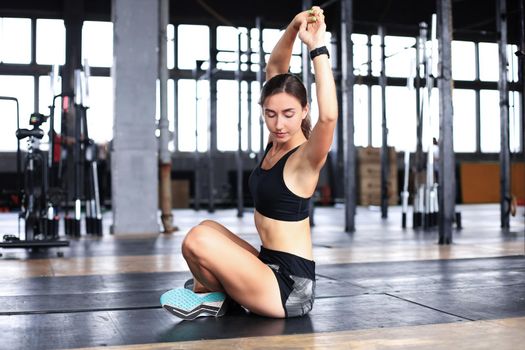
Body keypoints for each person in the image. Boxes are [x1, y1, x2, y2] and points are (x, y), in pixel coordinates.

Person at [160, 6, 337, 320]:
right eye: (271, 114)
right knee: (206, 228)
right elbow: (276, 67)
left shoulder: (306, 158)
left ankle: (213, 296)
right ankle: (217, 296)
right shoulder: (275, 142)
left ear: (304, 111)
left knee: (198, 241)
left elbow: (330, 116)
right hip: (266, 266)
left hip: (290, 288)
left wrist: (317, 47)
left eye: (289, 114)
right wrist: (295, 26)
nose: (279, 123)